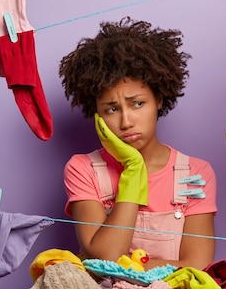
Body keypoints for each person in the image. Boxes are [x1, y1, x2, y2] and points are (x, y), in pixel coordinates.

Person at [59, 17, 217, 270]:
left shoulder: (196, 173)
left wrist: (131, 265)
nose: (126, 121)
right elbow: (105, 257)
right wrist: (133, 170)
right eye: (111, 109)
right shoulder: (83, 169)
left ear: (159, 99)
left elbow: (198, 266)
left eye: (137, 104)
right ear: (97, 114)